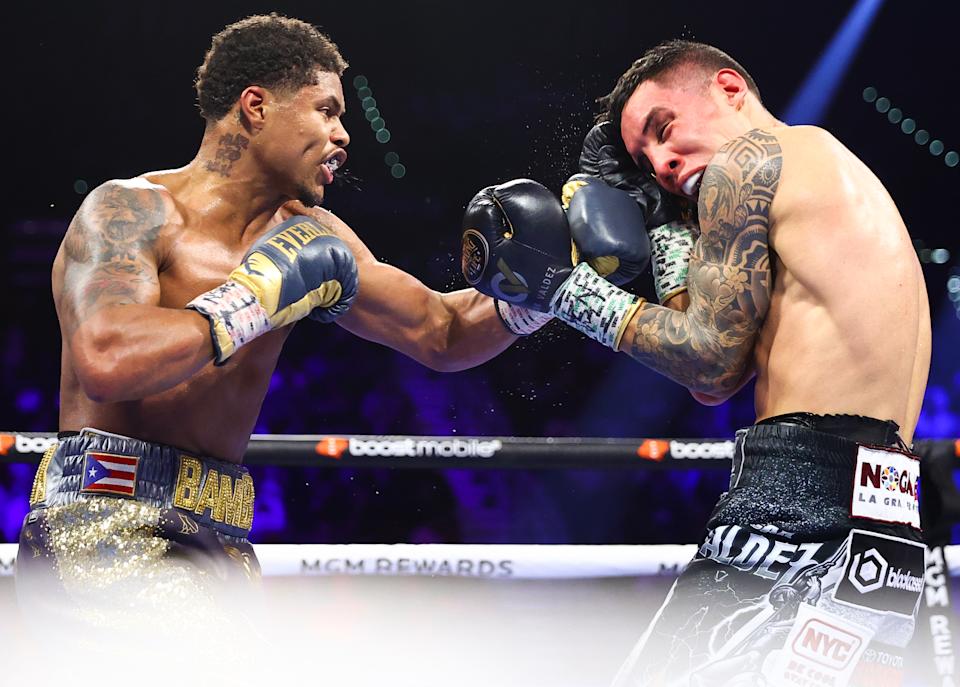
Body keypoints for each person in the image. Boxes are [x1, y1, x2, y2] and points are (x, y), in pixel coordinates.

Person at [16, 13, 522, 626]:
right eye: (327, 111)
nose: (344, 135)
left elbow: (440, 332)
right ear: (256, 106)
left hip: (222, 538)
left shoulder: (311, 235)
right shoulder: (131, 209)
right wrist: (254, 295)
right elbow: (107, 360)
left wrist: (552, 285)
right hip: (102, 525)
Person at [462, 40, 930, 686]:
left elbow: (708, 364)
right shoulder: (828, 172)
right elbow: (721, 371)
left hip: (794, 507)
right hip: (890, 528)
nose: (661, 163)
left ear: (730, 90)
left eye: (664, 129)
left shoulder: (749, 160)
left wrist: (565, 290)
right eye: (645, 159)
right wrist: (666, 232)